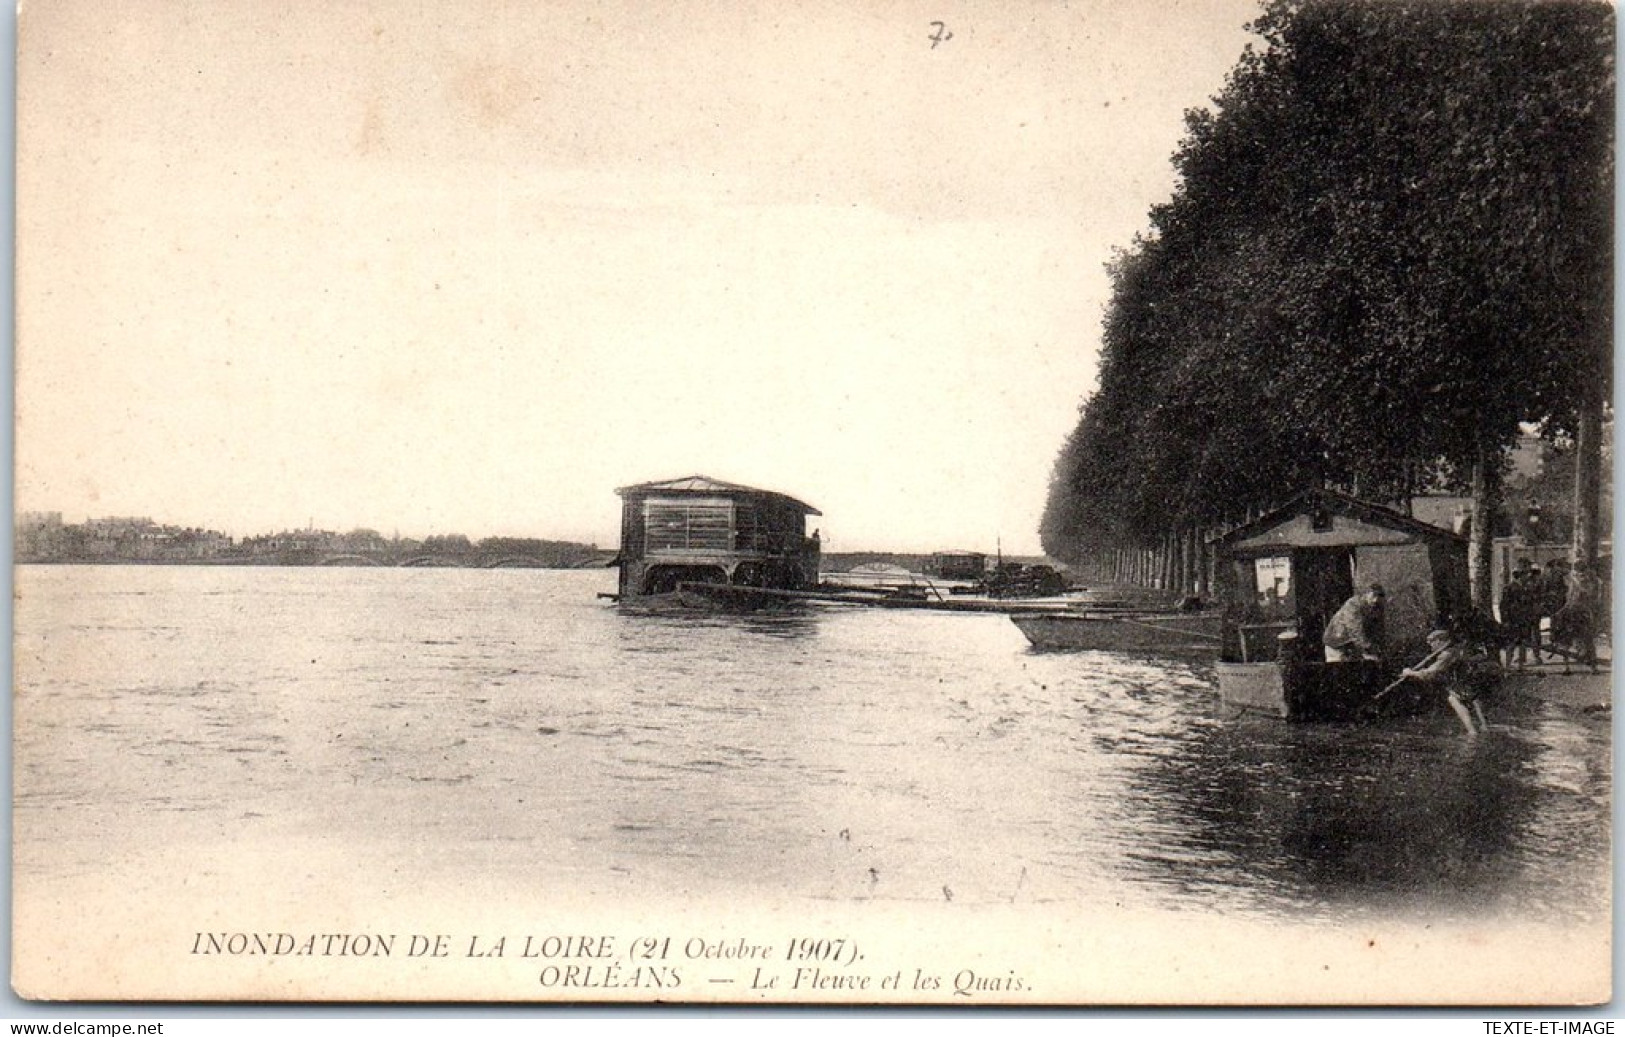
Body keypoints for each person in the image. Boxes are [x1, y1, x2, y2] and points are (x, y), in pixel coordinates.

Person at [1399, 628, 1491, 736]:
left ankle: (1472, 731)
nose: (1431, 646)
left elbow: (1430, 673)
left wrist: (1410, 673)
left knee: (1454, 699)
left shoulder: (1447, 654)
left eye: (1432, 643)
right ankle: (1483, 727)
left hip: (1461, 682)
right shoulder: (1455, 650)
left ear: (1439, 641)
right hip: (1467, 680)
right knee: (1473, 700)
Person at [1323, 583, 1386, 662]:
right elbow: (1355, 631)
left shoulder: (1377, 607)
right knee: (1338, 671)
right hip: (1337, 645)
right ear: (1366, 594)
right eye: (1373, 595)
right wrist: (1369, 650)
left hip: (1353, 647)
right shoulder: (1353, 605)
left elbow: (1378, 630)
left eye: (1379, 596)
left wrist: (1379, 650)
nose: (1375, 600)